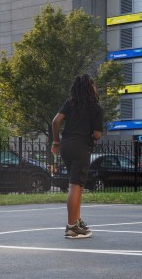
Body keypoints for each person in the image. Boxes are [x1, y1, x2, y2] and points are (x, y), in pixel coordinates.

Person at [52, 74, 103, 239]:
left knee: (78, 185)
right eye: (94, 85)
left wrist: (56, 142)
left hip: (66, 146)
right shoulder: (96, 108)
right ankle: (72, 226)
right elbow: (97, 135)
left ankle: (77, 220)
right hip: (81, 147)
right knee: (75, 186)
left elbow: (55, 121)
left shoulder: (70, 103)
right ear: (90, 88)